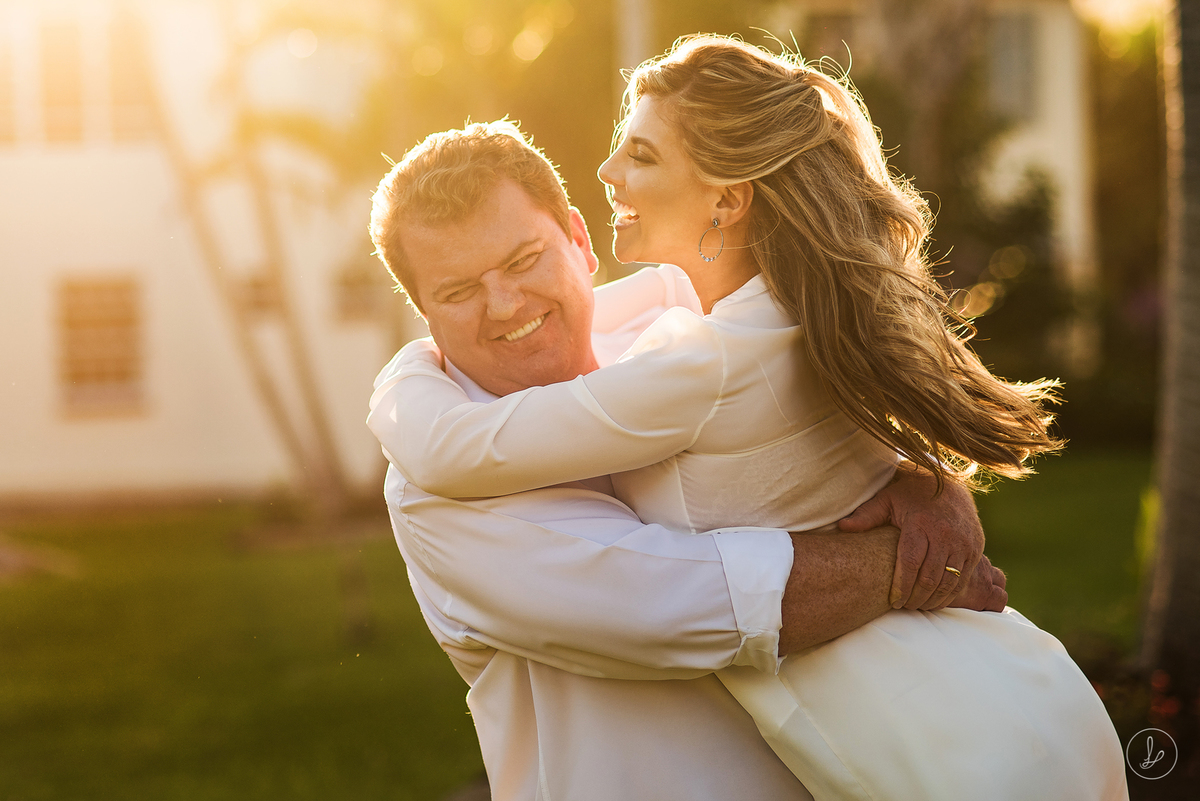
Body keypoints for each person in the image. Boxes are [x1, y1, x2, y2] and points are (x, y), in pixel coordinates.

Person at [372, 37, 1128, 801]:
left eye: (524, 258)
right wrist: (910, 553)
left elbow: (790, 401)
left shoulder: (682, 330)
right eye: (459, 290)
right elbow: (707, 605)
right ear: (421, 313)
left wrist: (920, 480)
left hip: (956, 746)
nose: (505, 305)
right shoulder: (440, 495)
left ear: (577, 241)